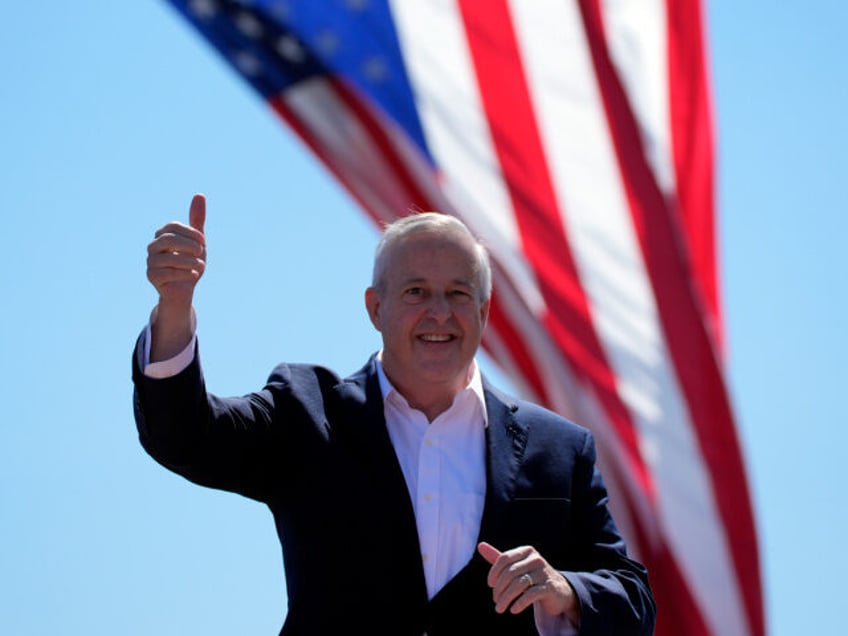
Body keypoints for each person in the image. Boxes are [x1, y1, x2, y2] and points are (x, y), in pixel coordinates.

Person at [132, 194, 655, 635]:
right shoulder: (308, 412)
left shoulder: (559, 447)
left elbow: (633, 599)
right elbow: (188, 437)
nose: (439, 313)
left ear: (483, 313)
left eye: (457, 293)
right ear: (375, 308)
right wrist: (174, 311)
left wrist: (566, 590)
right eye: (415, 292)